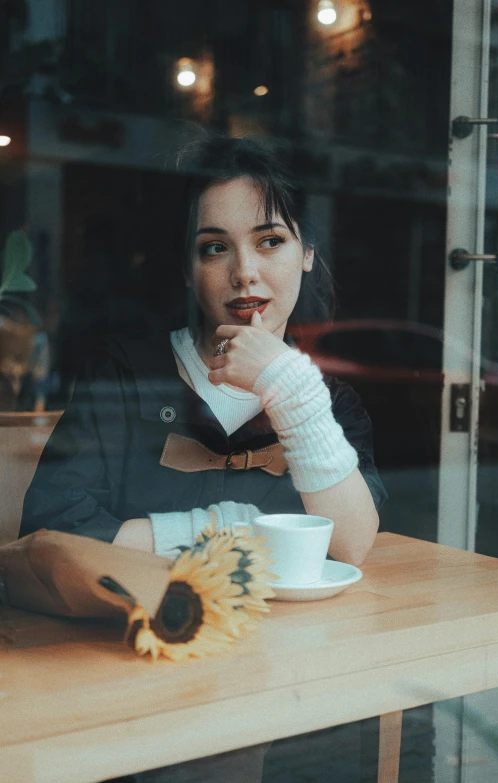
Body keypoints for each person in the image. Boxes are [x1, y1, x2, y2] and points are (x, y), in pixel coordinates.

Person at [19, 133, 387, 781]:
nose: (245, 271)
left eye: (270, 241)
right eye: (215, 247)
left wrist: (289, 388)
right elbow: (56, 528)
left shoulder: (326, 398)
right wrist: (238, 536)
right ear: (187, 268)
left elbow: (351, 542)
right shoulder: (131, 371)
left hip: (290, 684)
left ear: (306, 254)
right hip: (125, 678)